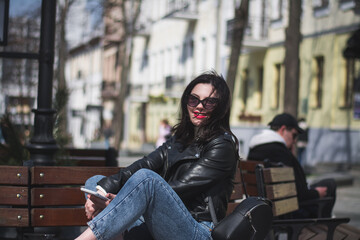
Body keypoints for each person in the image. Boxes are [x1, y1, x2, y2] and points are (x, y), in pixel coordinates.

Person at [75, 71, 239, 240]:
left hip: (197, 230)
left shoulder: (222, 146)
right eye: (194, 99)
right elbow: (143, 165)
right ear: (186, 102)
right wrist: (108, 193)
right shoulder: (178, 141)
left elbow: (181, 188)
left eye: (209, 102)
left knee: (148, 180)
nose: (199, 106)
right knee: (96, 183)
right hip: (161, 225)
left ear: (221, 107)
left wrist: (124, 201)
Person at [247, 113, 336, 218]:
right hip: (291, 211)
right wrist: (316, 193)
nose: (294, 141)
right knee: (330, 184)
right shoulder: (280, 152)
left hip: (266, 208)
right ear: (283, 129)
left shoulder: (254, 150)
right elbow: (298, 193)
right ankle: (324, 227)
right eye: (294, 135)